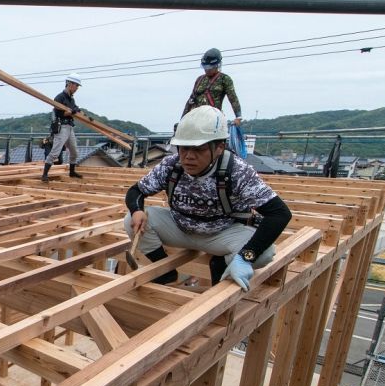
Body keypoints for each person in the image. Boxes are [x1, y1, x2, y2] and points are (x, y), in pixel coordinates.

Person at [123, 106, 291, 290]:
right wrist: (137, 210)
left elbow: (279, 214)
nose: (189, 157)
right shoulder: (171, 165)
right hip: (180, 228)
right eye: (184, 148)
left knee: (264, 253)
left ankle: (221, 263)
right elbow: (136, 191)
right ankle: (166, 272)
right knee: (131, 219)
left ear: (219, 147)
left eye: (199, 149)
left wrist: (245, 257)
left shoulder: (237, 171)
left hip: (221, 234)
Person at [41, 74, 84, 182]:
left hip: (70, 127)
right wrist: (71, 112)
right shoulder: (59, 97)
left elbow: (73, 109)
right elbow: (61, 113)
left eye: (78, 86)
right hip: (62, 127)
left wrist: (76, 111)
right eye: (76, 86)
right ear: (69, 84)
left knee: (74, 152)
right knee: (55, 152)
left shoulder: (71, 99)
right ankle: (44, 174)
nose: (77, 88)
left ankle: (72, 172)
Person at [182, 48, 242, 126]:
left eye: (210, 67)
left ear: (217, 65)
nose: (207, 70)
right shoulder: (199, 79)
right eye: (205, 67)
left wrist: (238, 117)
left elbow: (233, 98)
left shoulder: (224, 79)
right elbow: (190, 100)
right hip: (196, 119)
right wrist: (182, 120)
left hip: (213, 120)